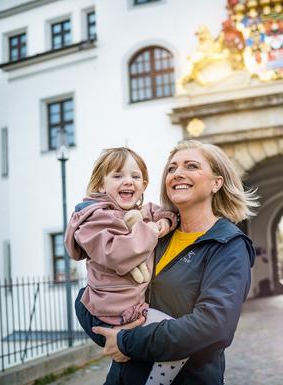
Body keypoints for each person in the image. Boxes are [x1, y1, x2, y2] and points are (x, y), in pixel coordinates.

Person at [86, 140, 258, 385]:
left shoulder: (228, 245)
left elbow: (213, 326)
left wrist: (127, 342)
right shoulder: (154, 233)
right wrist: (89, 314)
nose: (178, 174)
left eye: (191, 166)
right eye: (171, 168)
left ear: (216, 183)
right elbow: (104, 287)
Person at [65, 147, 182, 382]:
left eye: (135, 176)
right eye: (117, 176)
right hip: (109, 314)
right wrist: (149, 230)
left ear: (144, 184)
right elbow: (117, 253)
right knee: (177, 341)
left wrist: (162, 223)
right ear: (100, 185)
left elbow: (167, 213)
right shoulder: (94, 219)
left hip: (129, 308)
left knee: (148, 354)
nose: (128, 181)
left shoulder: (139, 211)